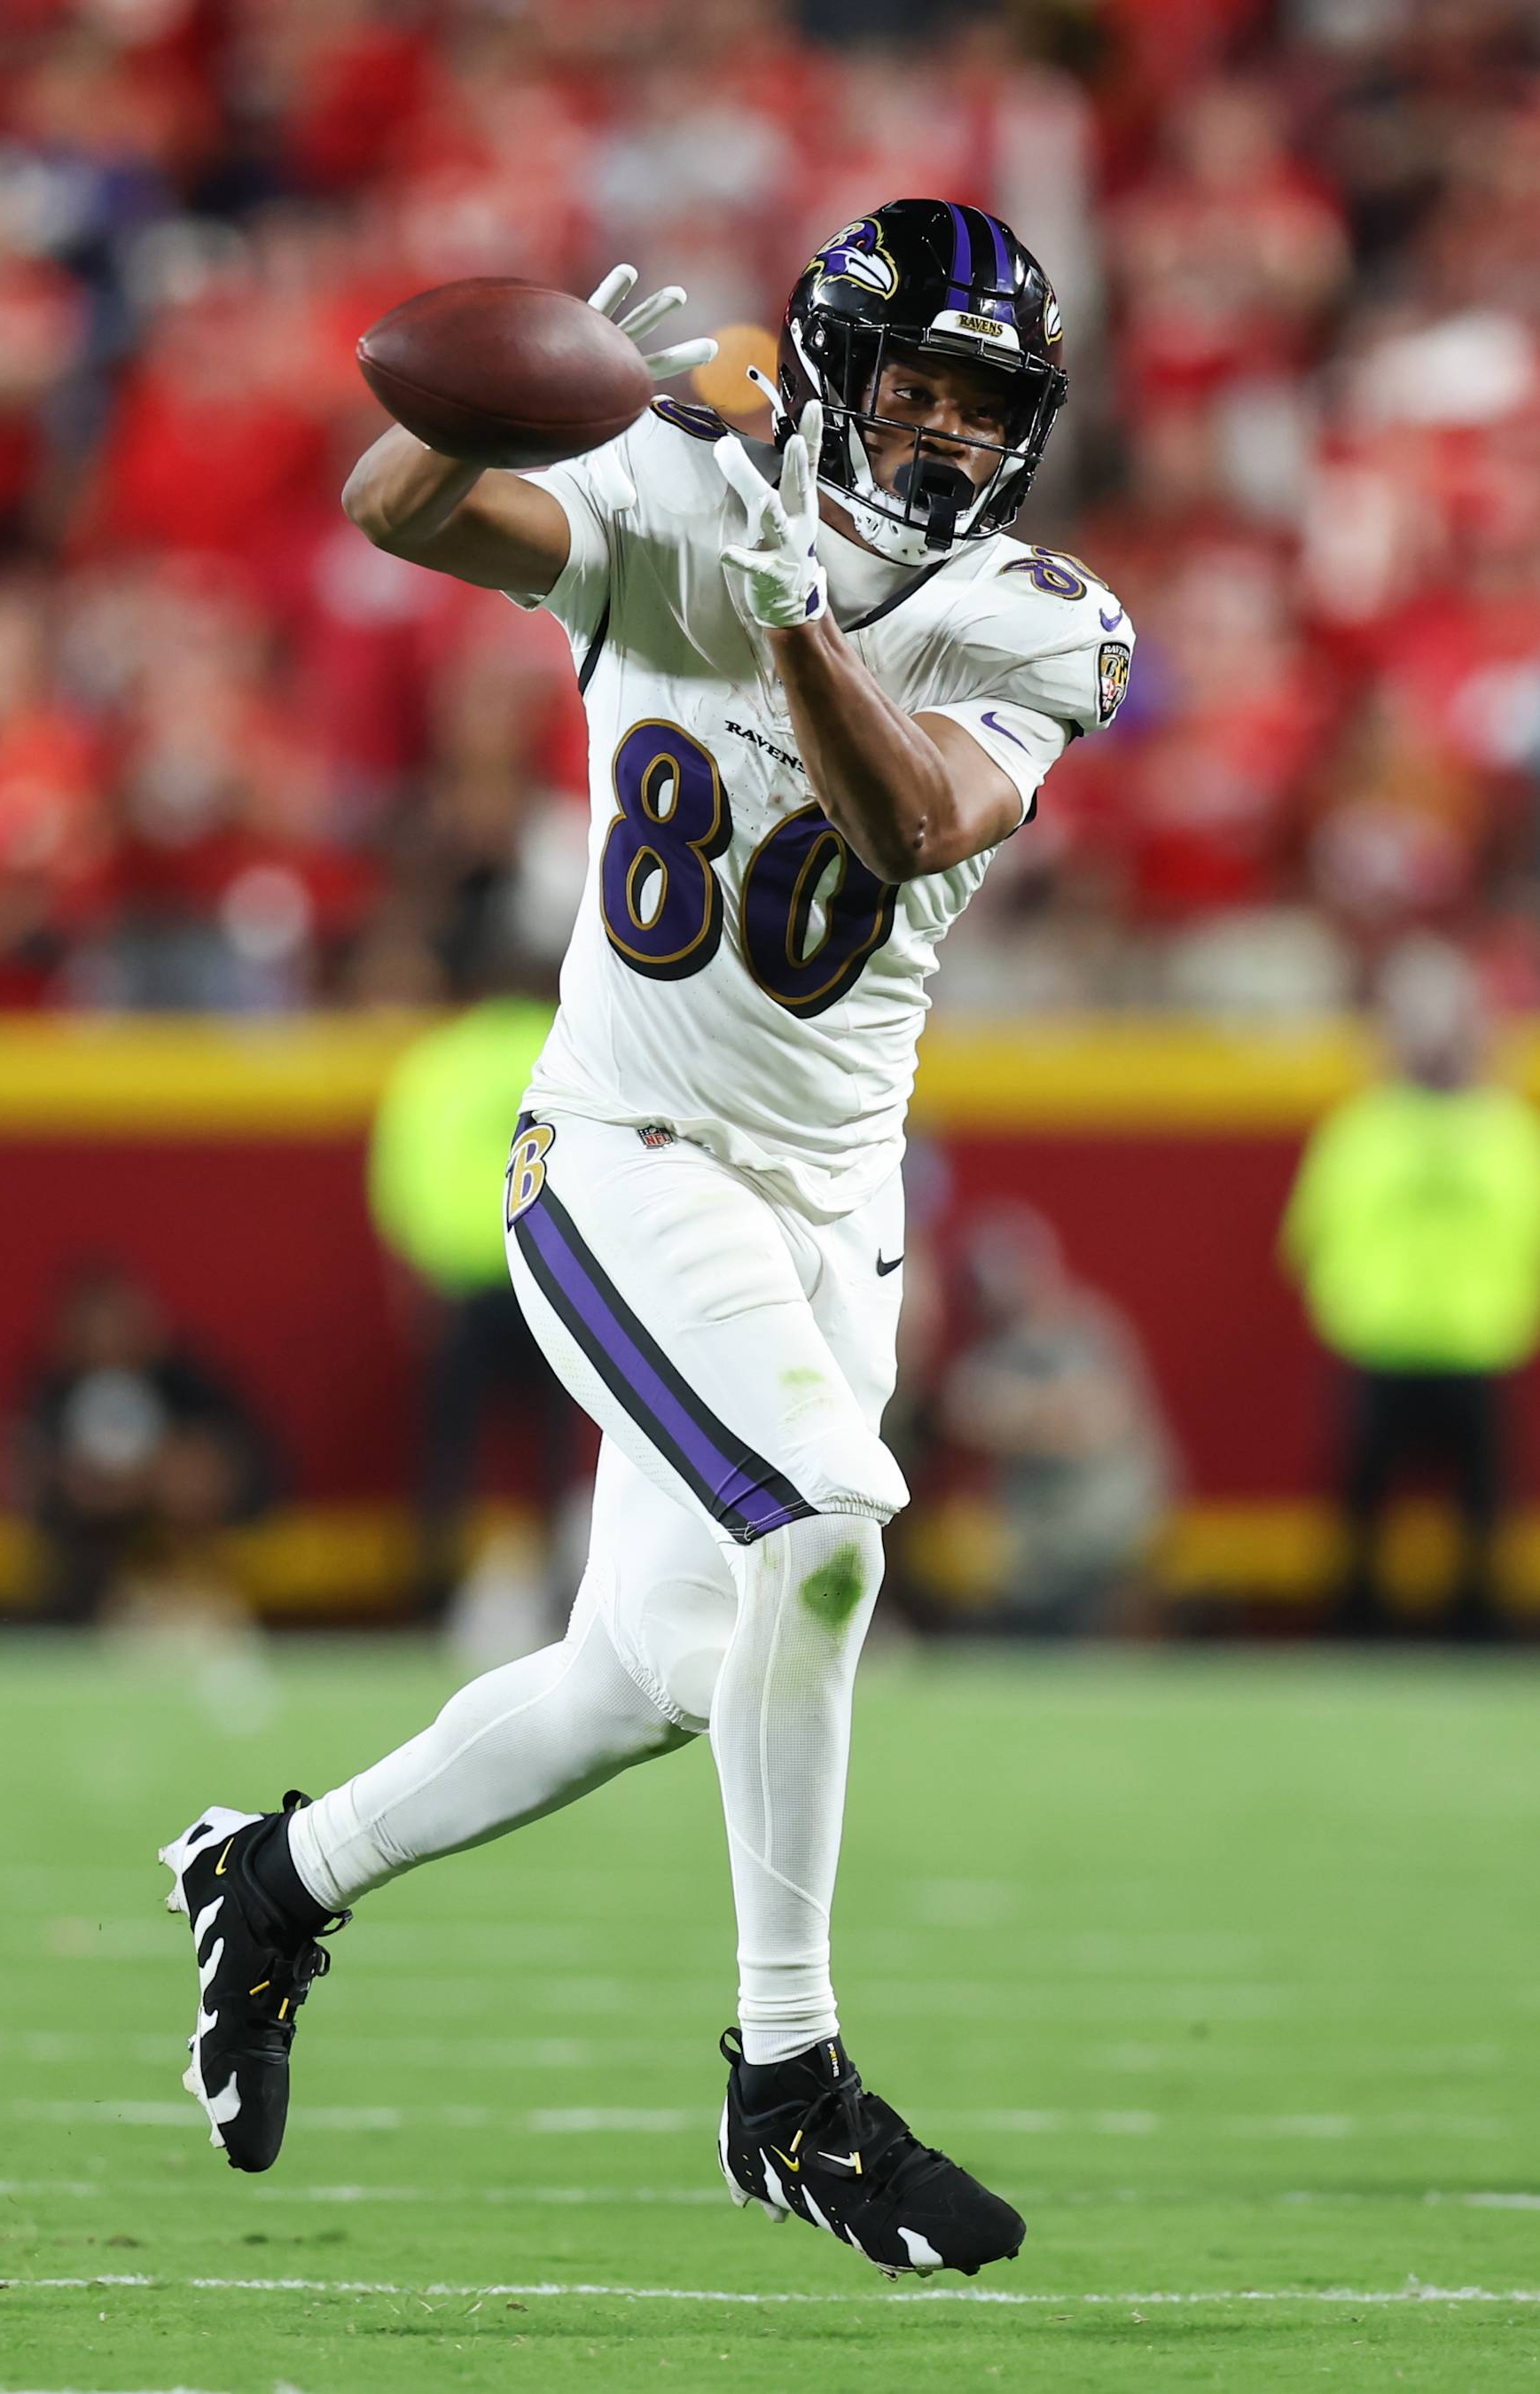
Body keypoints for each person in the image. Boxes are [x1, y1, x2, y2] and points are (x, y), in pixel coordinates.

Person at [159, 201, 1134, 2280]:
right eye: (922, 383)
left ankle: (279, 1871)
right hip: (620, 1140)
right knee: (829, 1523)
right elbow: (399, 510)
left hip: (824, 1200)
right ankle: (789, 2078)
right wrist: (493, 400)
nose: (952, 432)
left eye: (990, 400)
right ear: (834, 363)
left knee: (648, 1671)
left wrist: (796, 619)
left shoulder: (1038, 617)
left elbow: (907, 824)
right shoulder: (674, 484)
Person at [1281, 941, 1540, 1639]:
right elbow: (1311, 1237)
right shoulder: (1364, 1128)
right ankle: (1357, 1621)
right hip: (1382, 1341)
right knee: (1363, 1505)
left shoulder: (1507, 1131)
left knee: (1482, 1510)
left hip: (1475, 1344)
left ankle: (1479, 1624)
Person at [367, 967, 571, 1632]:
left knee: (448, 1452)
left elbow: (402, 1175)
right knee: (561, 1450)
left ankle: (432, 1595)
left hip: (460, 1283)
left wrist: (417, 1272)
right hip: (555, 1279)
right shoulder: (564, 1042)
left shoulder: (437, 1058)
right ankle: (568, 1589)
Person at [939, 1206, 1174, 1634]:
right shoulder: (989, 1347)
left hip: (1103, 1522)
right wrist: (1042, 1412)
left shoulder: (1086, 1329)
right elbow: (967, 1412)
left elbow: (1096, 1421)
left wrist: (1022, 1413)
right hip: (1029, 1535)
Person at [4, 1259, 278, 1623]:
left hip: (198, 1575)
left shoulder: (188, 1387)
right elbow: (21, 1482)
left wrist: (183, 1476)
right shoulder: (50, 1395)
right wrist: (78, 1489)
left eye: (119, 1324)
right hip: (82, 1584)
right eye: (93, 1329)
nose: (108, 1341)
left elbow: (249, 1468)